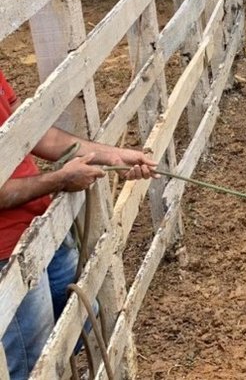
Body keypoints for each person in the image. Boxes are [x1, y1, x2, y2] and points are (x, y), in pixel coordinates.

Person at [0, 68, 157, 379]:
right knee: (31, 361)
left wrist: (111, 156)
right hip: (6, 251)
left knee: (83, 315)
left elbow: (33, 131)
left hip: (38, 223)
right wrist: (59, 179)